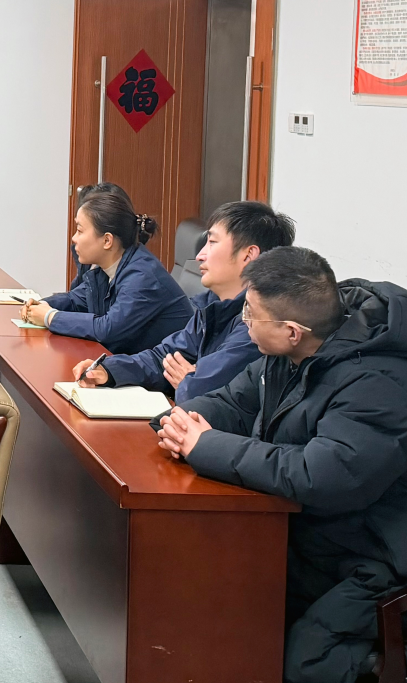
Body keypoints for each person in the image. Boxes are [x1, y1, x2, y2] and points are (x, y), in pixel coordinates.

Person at [154, 248, 407, 683]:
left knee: (303, 661)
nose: (244, 323)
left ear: (291, 331)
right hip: (308, 532)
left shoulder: (379, 383)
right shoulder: (286, 353)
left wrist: (205, 446)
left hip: (375, 555)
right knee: (212, 599)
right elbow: (232, 402)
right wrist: (178, 422)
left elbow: (322, 476)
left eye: (251, 315)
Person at [73, 200, 296, 401]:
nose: (199, 255)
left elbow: (205, 391)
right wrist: (109, 370)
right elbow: (163, 358)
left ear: (248, 255)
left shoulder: (258, 326)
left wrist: (190, 382)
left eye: (212, 242)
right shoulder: (210, 305)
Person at [22, 191, 193, 354]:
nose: (74, 238)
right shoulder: (106, 268)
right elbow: (75, 300)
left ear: (107, 240)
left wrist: (50, 317)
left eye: (80, 231)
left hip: (169, 371)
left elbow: (108, 329)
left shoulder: (142, 276)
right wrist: (39, 305)